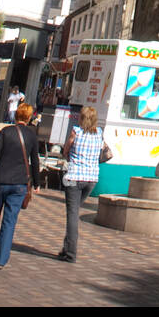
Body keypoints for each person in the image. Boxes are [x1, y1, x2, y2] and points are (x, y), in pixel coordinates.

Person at [0, 101, 40, 269]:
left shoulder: (6, 132)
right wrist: (37, 183)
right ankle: (1, 259)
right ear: (29, 118)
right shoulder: (32, 136)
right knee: (9, 221)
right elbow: (35, 161)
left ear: (16, 115)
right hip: (19, 184)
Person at [57, 104, 110, 263]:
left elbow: (66, 150)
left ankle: (71, 253)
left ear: (82, 118)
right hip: (91, 179)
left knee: (72, 214)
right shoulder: (99, 134)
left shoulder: (76, 132)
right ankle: (66, 248)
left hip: (74, 177)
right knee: (74, 211)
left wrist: (69, 154)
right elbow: (106, 152)